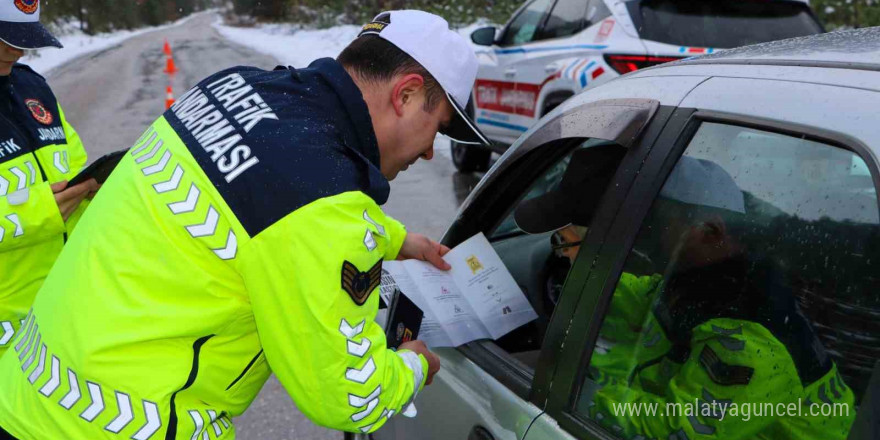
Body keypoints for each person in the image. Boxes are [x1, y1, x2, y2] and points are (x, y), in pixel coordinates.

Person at [0, 10, 490, 440]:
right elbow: (346, 395)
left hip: (27, 395)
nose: (431, 151)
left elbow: (265, 196)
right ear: (405, 93)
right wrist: (412, 366)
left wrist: (395, 239)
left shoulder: (233, 87)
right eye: (440, 126)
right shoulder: (321, 201)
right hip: (115, 426)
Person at [515, 151, 855, 439]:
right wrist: (580, 272)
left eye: (661, 224)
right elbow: (645, 298)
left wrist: (584, 396)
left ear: (710, 231)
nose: (647, 237)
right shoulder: (713, 276)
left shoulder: (750, 336)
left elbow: (679, 428)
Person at [0, 0, 98, 357]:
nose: (15, 49)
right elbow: (46, 204)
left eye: (22, 38)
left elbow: (74, 167)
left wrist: (93, 188)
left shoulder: (33, 87)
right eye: (3, 36)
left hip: (59, 315)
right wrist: (41, 210)